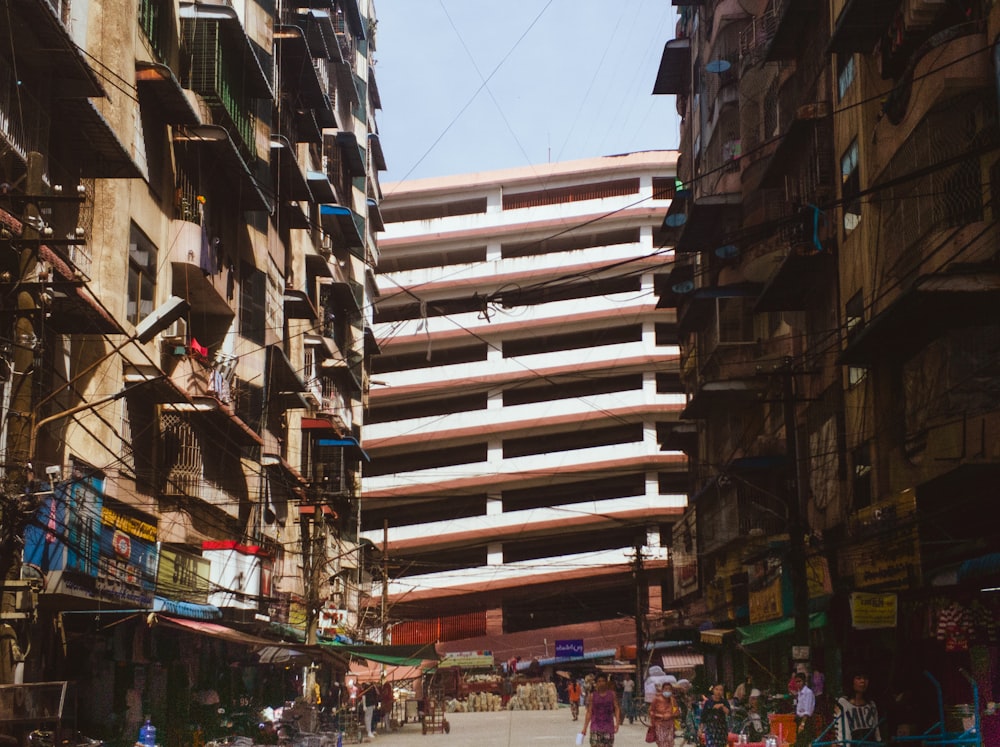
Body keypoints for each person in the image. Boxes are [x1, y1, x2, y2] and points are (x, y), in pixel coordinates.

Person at [834, 671, 881, 743]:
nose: (863, 681)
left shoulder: (871, 704)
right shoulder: (843, 703)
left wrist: (878, 742)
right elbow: (841, 731)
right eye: (858, 678)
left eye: (865, 678)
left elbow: (876, 730)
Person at [581, 673, 621, 747]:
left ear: (606, 682)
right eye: (599, 681)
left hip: (608, 728)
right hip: (595, 728)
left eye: (603, 681)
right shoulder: (592, 696)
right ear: (596, 684)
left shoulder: (612, 695)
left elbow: (617, 708)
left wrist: (617, 723)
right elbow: (589, 712)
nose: (601, 683)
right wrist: (584, 728)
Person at [650, 681, 678, 747]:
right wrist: (661, 716)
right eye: (666, 689)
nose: (667, 691)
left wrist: (671, 715)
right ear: (662, 690)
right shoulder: (656, 699)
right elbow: (651, 711)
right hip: (659, 724)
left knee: (670, 744)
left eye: (669, 689)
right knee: (662, 743)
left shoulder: (672, 700)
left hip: (670, 725)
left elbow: (677, 712)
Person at [794, 672, 816, 747]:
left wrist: (802, 724)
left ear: (804, 681)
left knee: (805, 742)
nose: (798, 684)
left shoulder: (808, 692)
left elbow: (807, 710)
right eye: (796, 682)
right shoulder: (799, 692)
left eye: (799, 681)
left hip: (806, 721)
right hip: (799, 719)